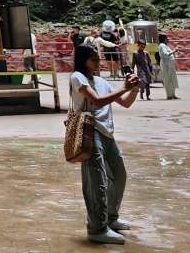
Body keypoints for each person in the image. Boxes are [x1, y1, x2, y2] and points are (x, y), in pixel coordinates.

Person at [70, 44, 139, 245]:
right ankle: (97, 228)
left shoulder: (100, 80)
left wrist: (133, 88)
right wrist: (123, 87)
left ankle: (111, 218)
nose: (98, 62)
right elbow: (97, 101)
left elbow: (125, 103)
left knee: (119, 176)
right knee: (96, 182)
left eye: (98, 58)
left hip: (107, 133)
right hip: (90, 133)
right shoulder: (78, 77)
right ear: (84, 60)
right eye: (94, 59)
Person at [157, 34, 178, 100]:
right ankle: (169, 95)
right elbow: (165, 54)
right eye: (167, 38)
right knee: (168, 80)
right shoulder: (162, 46)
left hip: (169, 65)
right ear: (163, 39)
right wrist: (174, 51)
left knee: (172, 79)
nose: (168, 39)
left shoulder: (165, 46)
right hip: (166, 66)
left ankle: (173, 94)